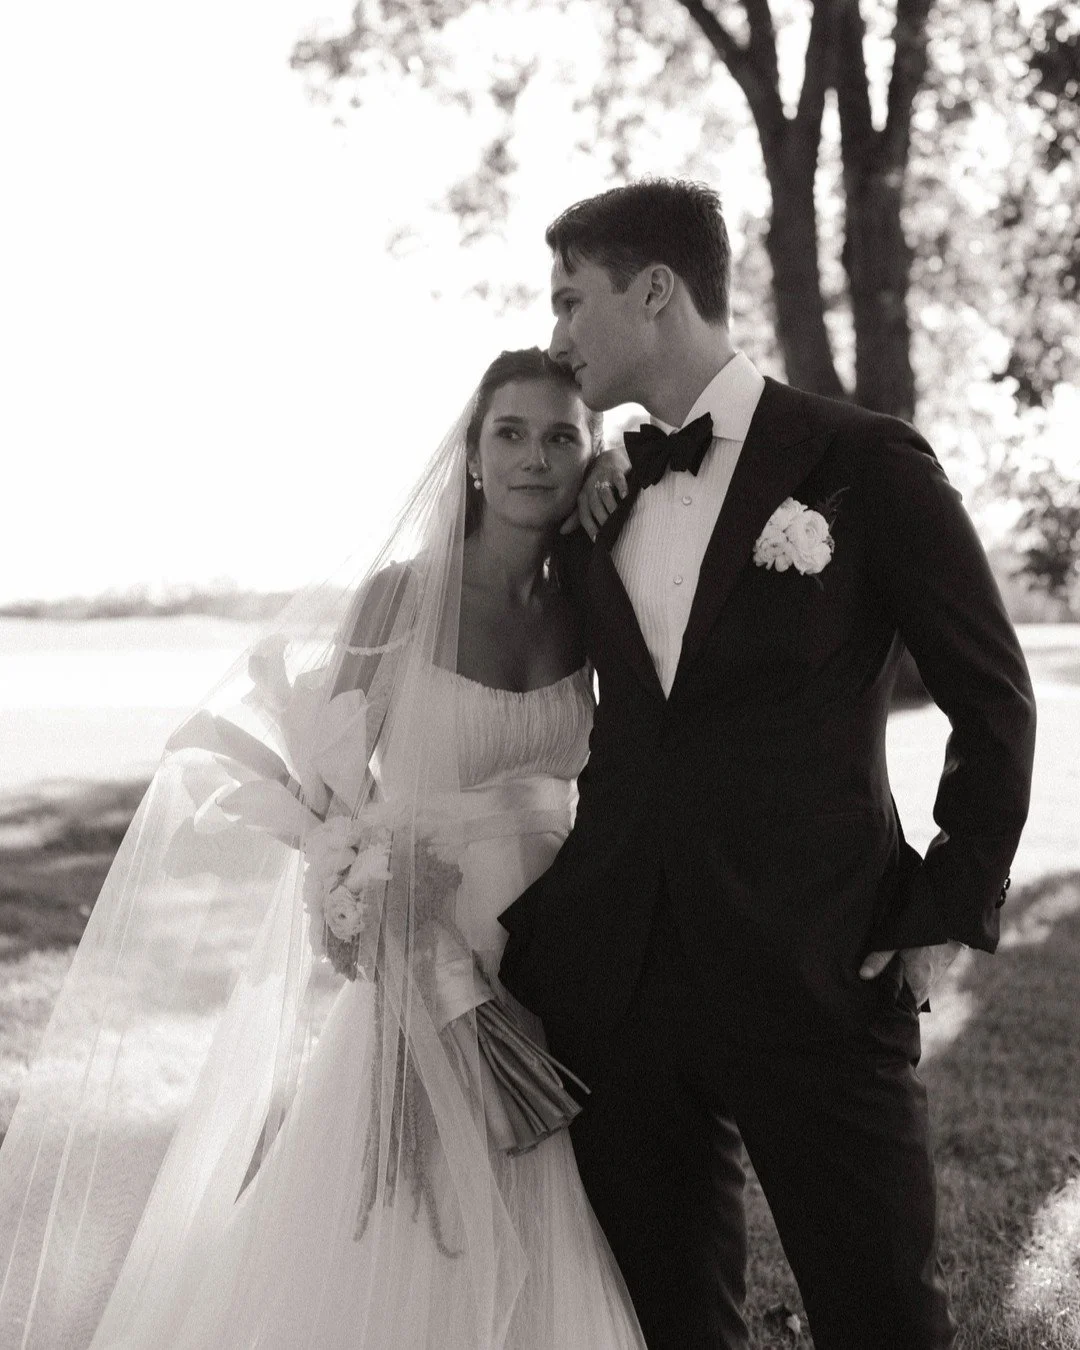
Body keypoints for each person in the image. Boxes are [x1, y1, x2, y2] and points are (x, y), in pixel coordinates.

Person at [0, 348, 647, 1349]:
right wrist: (413, 960)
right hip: (424, 964)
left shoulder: (591, 601)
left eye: (561, 436)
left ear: (588, 456)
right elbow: (335, 805)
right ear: (470, 456)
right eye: (509, 433)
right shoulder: (401, 597)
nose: (533, 457)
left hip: (562, 962)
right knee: (406, 1222)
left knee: (552, 1204)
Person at [498, 180, 1038, 1350]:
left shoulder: (865, 462)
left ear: (653, 293)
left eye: (569, 300)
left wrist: (948, 902)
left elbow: (994, 701)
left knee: (885, 1315)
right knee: (663, 1323)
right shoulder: (608, 488)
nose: (555, 336)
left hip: (817, 967)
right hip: (620, 983)